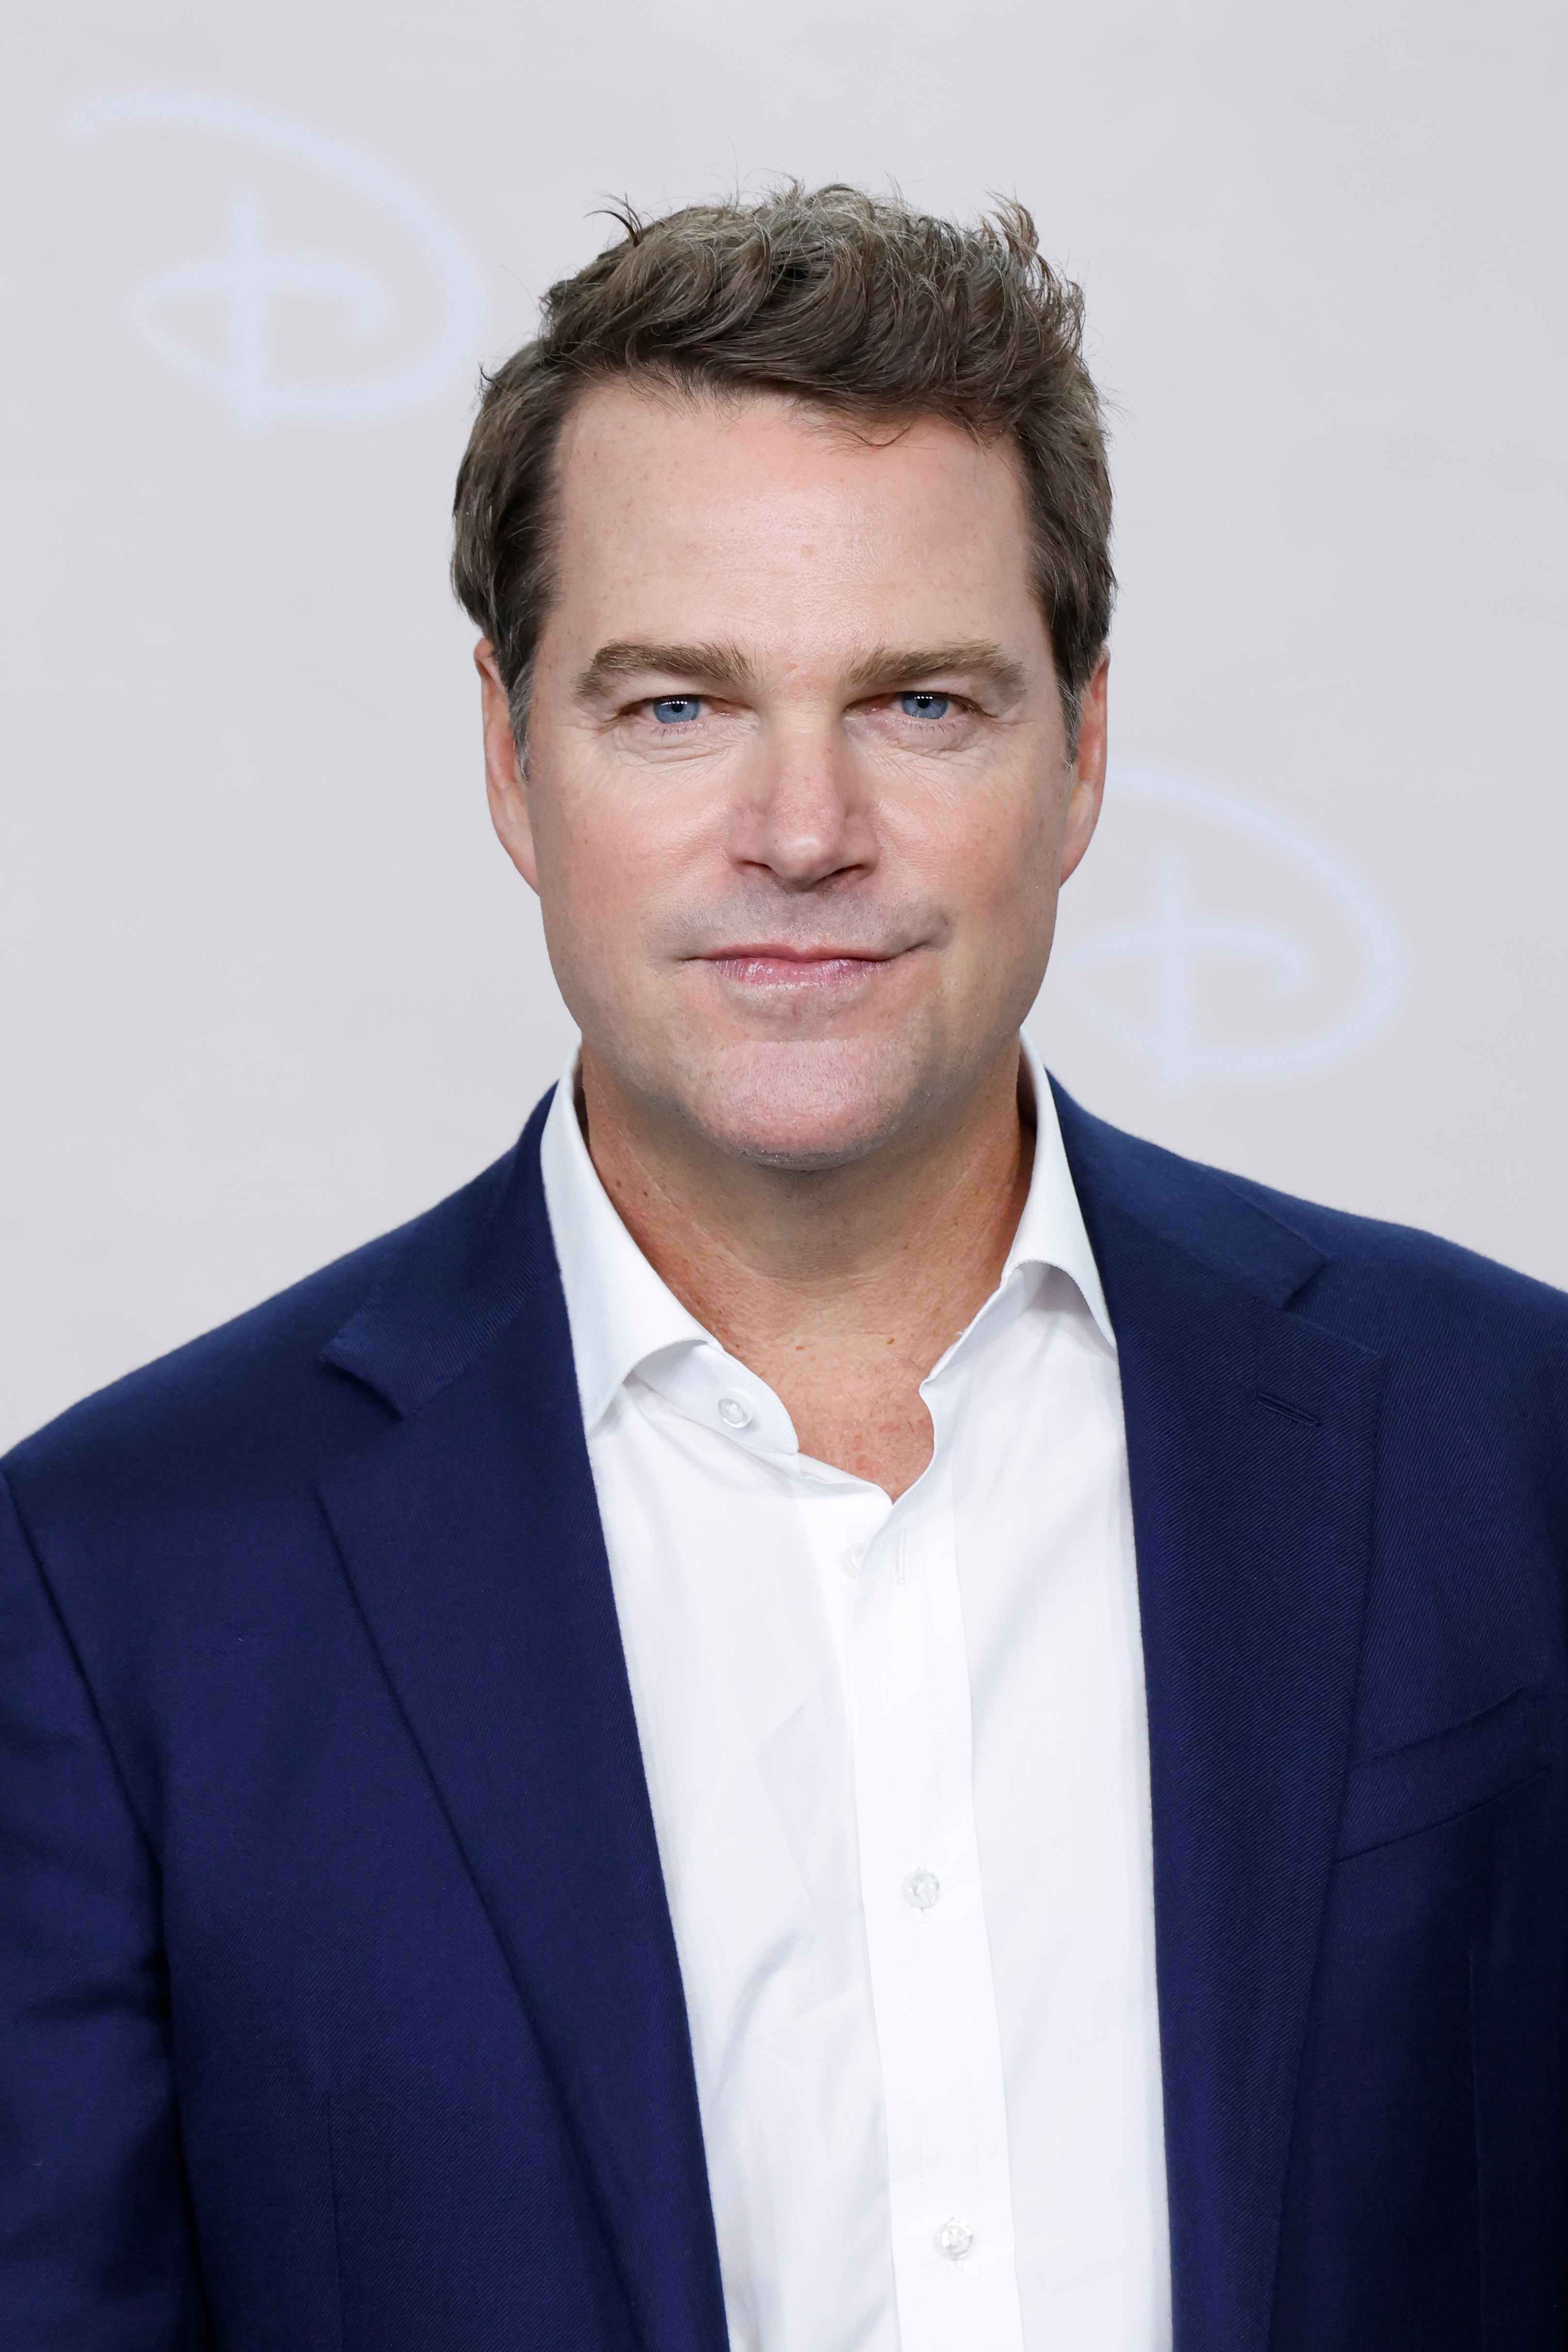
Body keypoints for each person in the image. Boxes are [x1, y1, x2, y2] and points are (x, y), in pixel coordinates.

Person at [1, 185, 1564, 2352]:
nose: (804, 828)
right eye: (675, 707)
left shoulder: (1510, 1447)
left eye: (922, 703)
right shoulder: (116, 1583)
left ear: (1080, 749)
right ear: (508, 755)